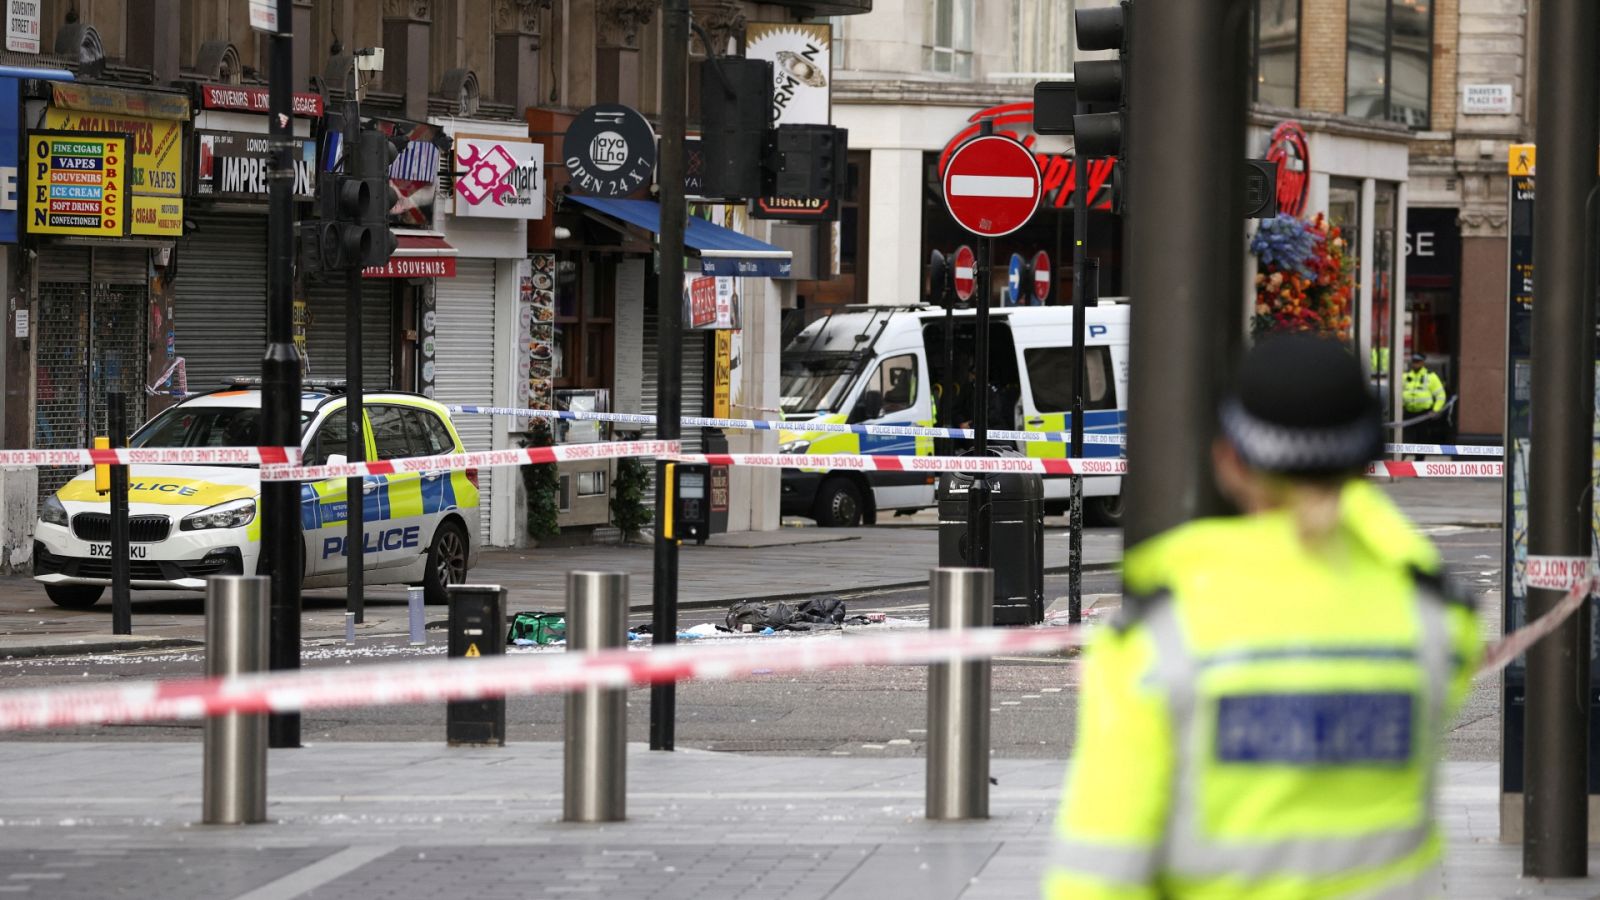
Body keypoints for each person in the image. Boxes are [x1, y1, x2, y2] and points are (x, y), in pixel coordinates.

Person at [1044, 334, 1480, 899]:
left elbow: (1096, 877)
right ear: (1367, 463)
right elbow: (1400, 555)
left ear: (1229, 461)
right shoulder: (1434, 625)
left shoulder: (1155, 642)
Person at [1402, 353, 1448, 448]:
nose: (1415, 364)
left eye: (1418, 362)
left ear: (1423, 363)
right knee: (1407, 438)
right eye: (1414, 362)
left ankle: (1419, 460)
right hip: (1408, 412)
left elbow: (1441, 395)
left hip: (1424, 414)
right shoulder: (1405, 376)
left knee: (1421, 438)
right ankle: (1406, 458)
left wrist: (1435, 410)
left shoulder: (1430, 376)